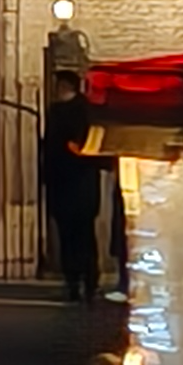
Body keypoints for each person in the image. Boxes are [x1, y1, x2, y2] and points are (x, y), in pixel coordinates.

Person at [40, 72, 106, 301]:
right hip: (61, 183)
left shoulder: (84, 111)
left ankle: (89, 280)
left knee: (83, 235)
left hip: (81, 183)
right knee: (67, 236)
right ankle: (72, 281)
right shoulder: (55, 110)